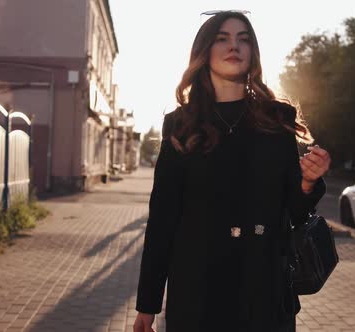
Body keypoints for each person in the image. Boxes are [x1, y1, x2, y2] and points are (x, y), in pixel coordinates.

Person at [133, 10, 331, 332]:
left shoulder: (276, 120)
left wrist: (309, 181)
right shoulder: (181, 125)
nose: (233, 46)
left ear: (253, 53)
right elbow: (162, 219)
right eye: (222, 38)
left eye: (243, 39)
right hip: (197, 291)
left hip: (264, 290)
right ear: (204, 51)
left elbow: (295, 212)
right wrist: (148, 303)